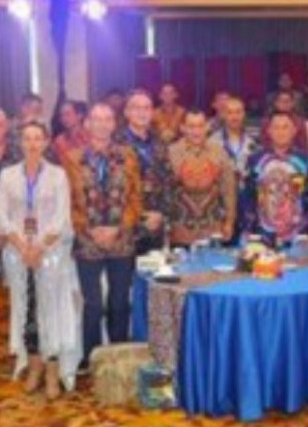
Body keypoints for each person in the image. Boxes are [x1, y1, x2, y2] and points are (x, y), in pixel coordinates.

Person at [0, 122, 79, 398]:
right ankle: (34, 367)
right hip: (18, 256)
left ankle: (53, 373)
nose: (32, 144)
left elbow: (62, 217)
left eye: (37, 138)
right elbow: (1, 215)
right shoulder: (7, 176)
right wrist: (21, 245)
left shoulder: (58, 175)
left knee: (50, 312)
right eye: (27, 138)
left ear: (46, 142)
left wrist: (39, 247)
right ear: (19, 142)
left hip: (51, 256)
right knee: (26, 311)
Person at [65, 103, 143, 359]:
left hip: (121, 241)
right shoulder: (72, 158)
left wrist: (118, 228)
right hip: (87, 242)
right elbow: (67, 201)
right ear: (87, 123)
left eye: (107, 119)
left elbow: (135, 198)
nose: (102, 124)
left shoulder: (128, 155)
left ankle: (117, 357)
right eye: (96, 119)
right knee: (93, 305)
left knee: (119, 303)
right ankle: (92, 357)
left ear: (114, 123)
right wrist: (90, 230)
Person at [245, 111, 308, 245]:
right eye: (276, 127)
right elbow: (248, 197)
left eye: (285, 127)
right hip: (262, 234)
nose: (281, 132)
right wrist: (248, 228)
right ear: (269, 131)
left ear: (294, 131)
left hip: (298, 235)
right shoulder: (256, 161)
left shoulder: (305, 162)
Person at [165, 110, 237, 245]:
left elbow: (228, 190)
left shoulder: (219, 152)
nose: (196, 131)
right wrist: (166, 228)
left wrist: (229, 222)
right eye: (191, 126)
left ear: (207, 127)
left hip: (213, 228)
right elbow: (165, 192)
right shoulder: (170, 153)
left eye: (200, 126)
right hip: (180, 229)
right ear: (183, 128)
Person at [117, 89, 169, 254]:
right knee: (127, 278)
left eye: (147, 108)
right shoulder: (116, 144)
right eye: (136, 108)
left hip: (156, 224)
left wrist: (161, 213)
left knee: (156, 276)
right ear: (126, 112)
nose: (142, 112)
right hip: (127, 226)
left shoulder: (160, 142)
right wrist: (140, 215)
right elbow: (114, 188)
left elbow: (169, 180)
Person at [210, 95, 258, 242]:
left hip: (248, 204)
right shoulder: (212, 142)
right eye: (230, 112)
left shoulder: (254, 142)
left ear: (244, 114)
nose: (234, 116)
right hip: (220, 204)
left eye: (238, 112)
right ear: (223, 115)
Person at [51, 99, 89, 164]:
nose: (64, 118)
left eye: (68, 114)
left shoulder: (90, 137)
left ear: (79, 115)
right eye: (62, 115)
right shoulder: (59, 141)